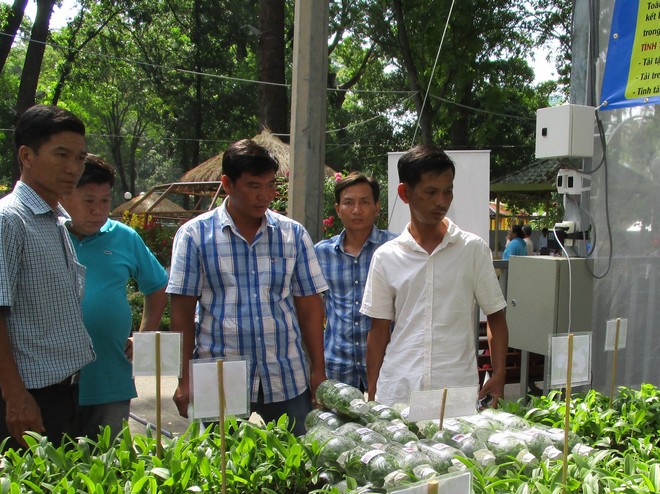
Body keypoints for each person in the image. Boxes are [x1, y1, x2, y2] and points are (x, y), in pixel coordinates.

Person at [166, 139, 327, 436]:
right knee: (220, 470)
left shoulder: (292, 234)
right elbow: (182, 314)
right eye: (254, 186)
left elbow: (309, 306)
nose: (264, 196)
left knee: (294, 468)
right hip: (219, 377)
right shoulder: (194, 235)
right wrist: (184, 377)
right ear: (228, 184)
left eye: (270, 185)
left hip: (285, 375)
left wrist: (318, 369)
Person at [0, 104, 95, 450]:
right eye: (61, 155)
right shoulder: (6, 220)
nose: (73, 168)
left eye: (80, 158)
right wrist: (16, 396)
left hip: (61, 391)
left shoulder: (53, 220)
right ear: (27, 155)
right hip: (29, 398)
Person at [361, 145, 509, 407]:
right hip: (398, 390)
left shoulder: (472, 250)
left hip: (455, 392)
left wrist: (498, 374)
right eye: (431, 192)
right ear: (405, 193)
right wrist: (373, 392)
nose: (441, 201)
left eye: (448, 191)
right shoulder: (386, 257)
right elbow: (379, 330)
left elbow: (495, 316)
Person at [63, 154, 168, 440]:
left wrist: (145, 336)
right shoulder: (48, 234)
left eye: (105, 201)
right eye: (88, 201)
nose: (98, 210)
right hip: (53, 379)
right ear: (64, 196)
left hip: (111, 375)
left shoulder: (124, 237)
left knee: (110, 464)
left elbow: (157, 286)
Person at [314, 172, 396, 392]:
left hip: (388, 368)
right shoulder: (321, 253)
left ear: (377, 207)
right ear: (338, 209)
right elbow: (314, 308)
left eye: (365, 202)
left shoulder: (396, 249)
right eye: (348, 203)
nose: (357, 210)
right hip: (338, 368)